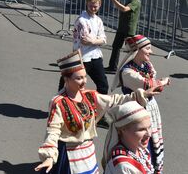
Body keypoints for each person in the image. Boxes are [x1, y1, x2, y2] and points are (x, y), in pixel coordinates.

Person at [35, 50, 164, 174]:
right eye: (79, 78)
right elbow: (52, 131)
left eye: (85, 77)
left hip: (88, 153)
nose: (84, 81)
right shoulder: (58, 102)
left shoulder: (89, 96)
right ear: (66, 79)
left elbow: (114, 100)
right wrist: (49, 156)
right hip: (69, 155)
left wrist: (142, 94)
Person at [111, 35, 169, 173]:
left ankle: (153, 167)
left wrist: (158, 83)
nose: (151, 51)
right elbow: (151, 85)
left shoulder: (146, 65)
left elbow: (153, 85)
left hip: (149, 107)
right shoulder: (127, 72)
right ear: (137, 50)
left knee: (152, 136)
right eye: (148, 48)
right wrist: (163, 82)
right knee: (141, 140)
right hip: (135, 111)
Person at [70, 0, 108, 95]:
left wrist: (94, 41)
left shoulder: (98, 20)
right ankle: (60, 105)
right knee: (71, 84)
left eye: (95, 6)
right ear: (87, 4)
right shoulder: (82, 20)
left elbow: (103, 39)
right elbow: (84, 40)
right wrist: (96, 41)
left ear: (100, 5)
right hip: (82, 57)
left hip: (96, 56)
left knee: (103, 85)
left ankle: (99, 108)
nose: (93, 8)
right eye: (90, 6)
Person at [102, 101, 154, 173]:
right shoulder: (122, 165)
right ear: (123, 129)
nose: (149, 134)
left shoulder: (140, 149)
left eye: (149, 127)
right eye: (141, 129)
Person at [106, 0, 141, 72]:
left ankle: (134, 68)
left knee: (131, 50)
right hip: (122, 27)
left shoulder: (135, 1)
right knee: (116, 46)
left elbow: (125, 9)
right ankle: (112, 67)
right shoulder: (129, 0)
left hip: (129, 30)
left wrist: (114, 0)